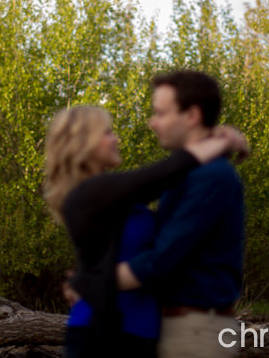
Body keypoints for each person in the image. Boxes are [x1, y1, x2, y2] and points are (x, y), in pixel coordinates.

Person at [44, 105, 246, 358]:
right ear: (84, 144)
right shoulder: (87, 195)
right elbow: (163, 173)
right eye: (107, 133)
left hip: (141, 334)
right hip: (104, 334)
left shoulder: (116, 197)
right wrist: (222, 141)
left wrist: (87, 278)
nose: (116, 139)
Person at [116, 70, 245, 358]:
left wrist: (95, 282)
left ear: (192, 116)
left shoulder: (210, 177)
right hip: (182, 327)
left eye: (161, 113)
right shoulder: (189, 173)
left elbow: (163, 259)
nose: (153, 122)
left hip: (195, 332)